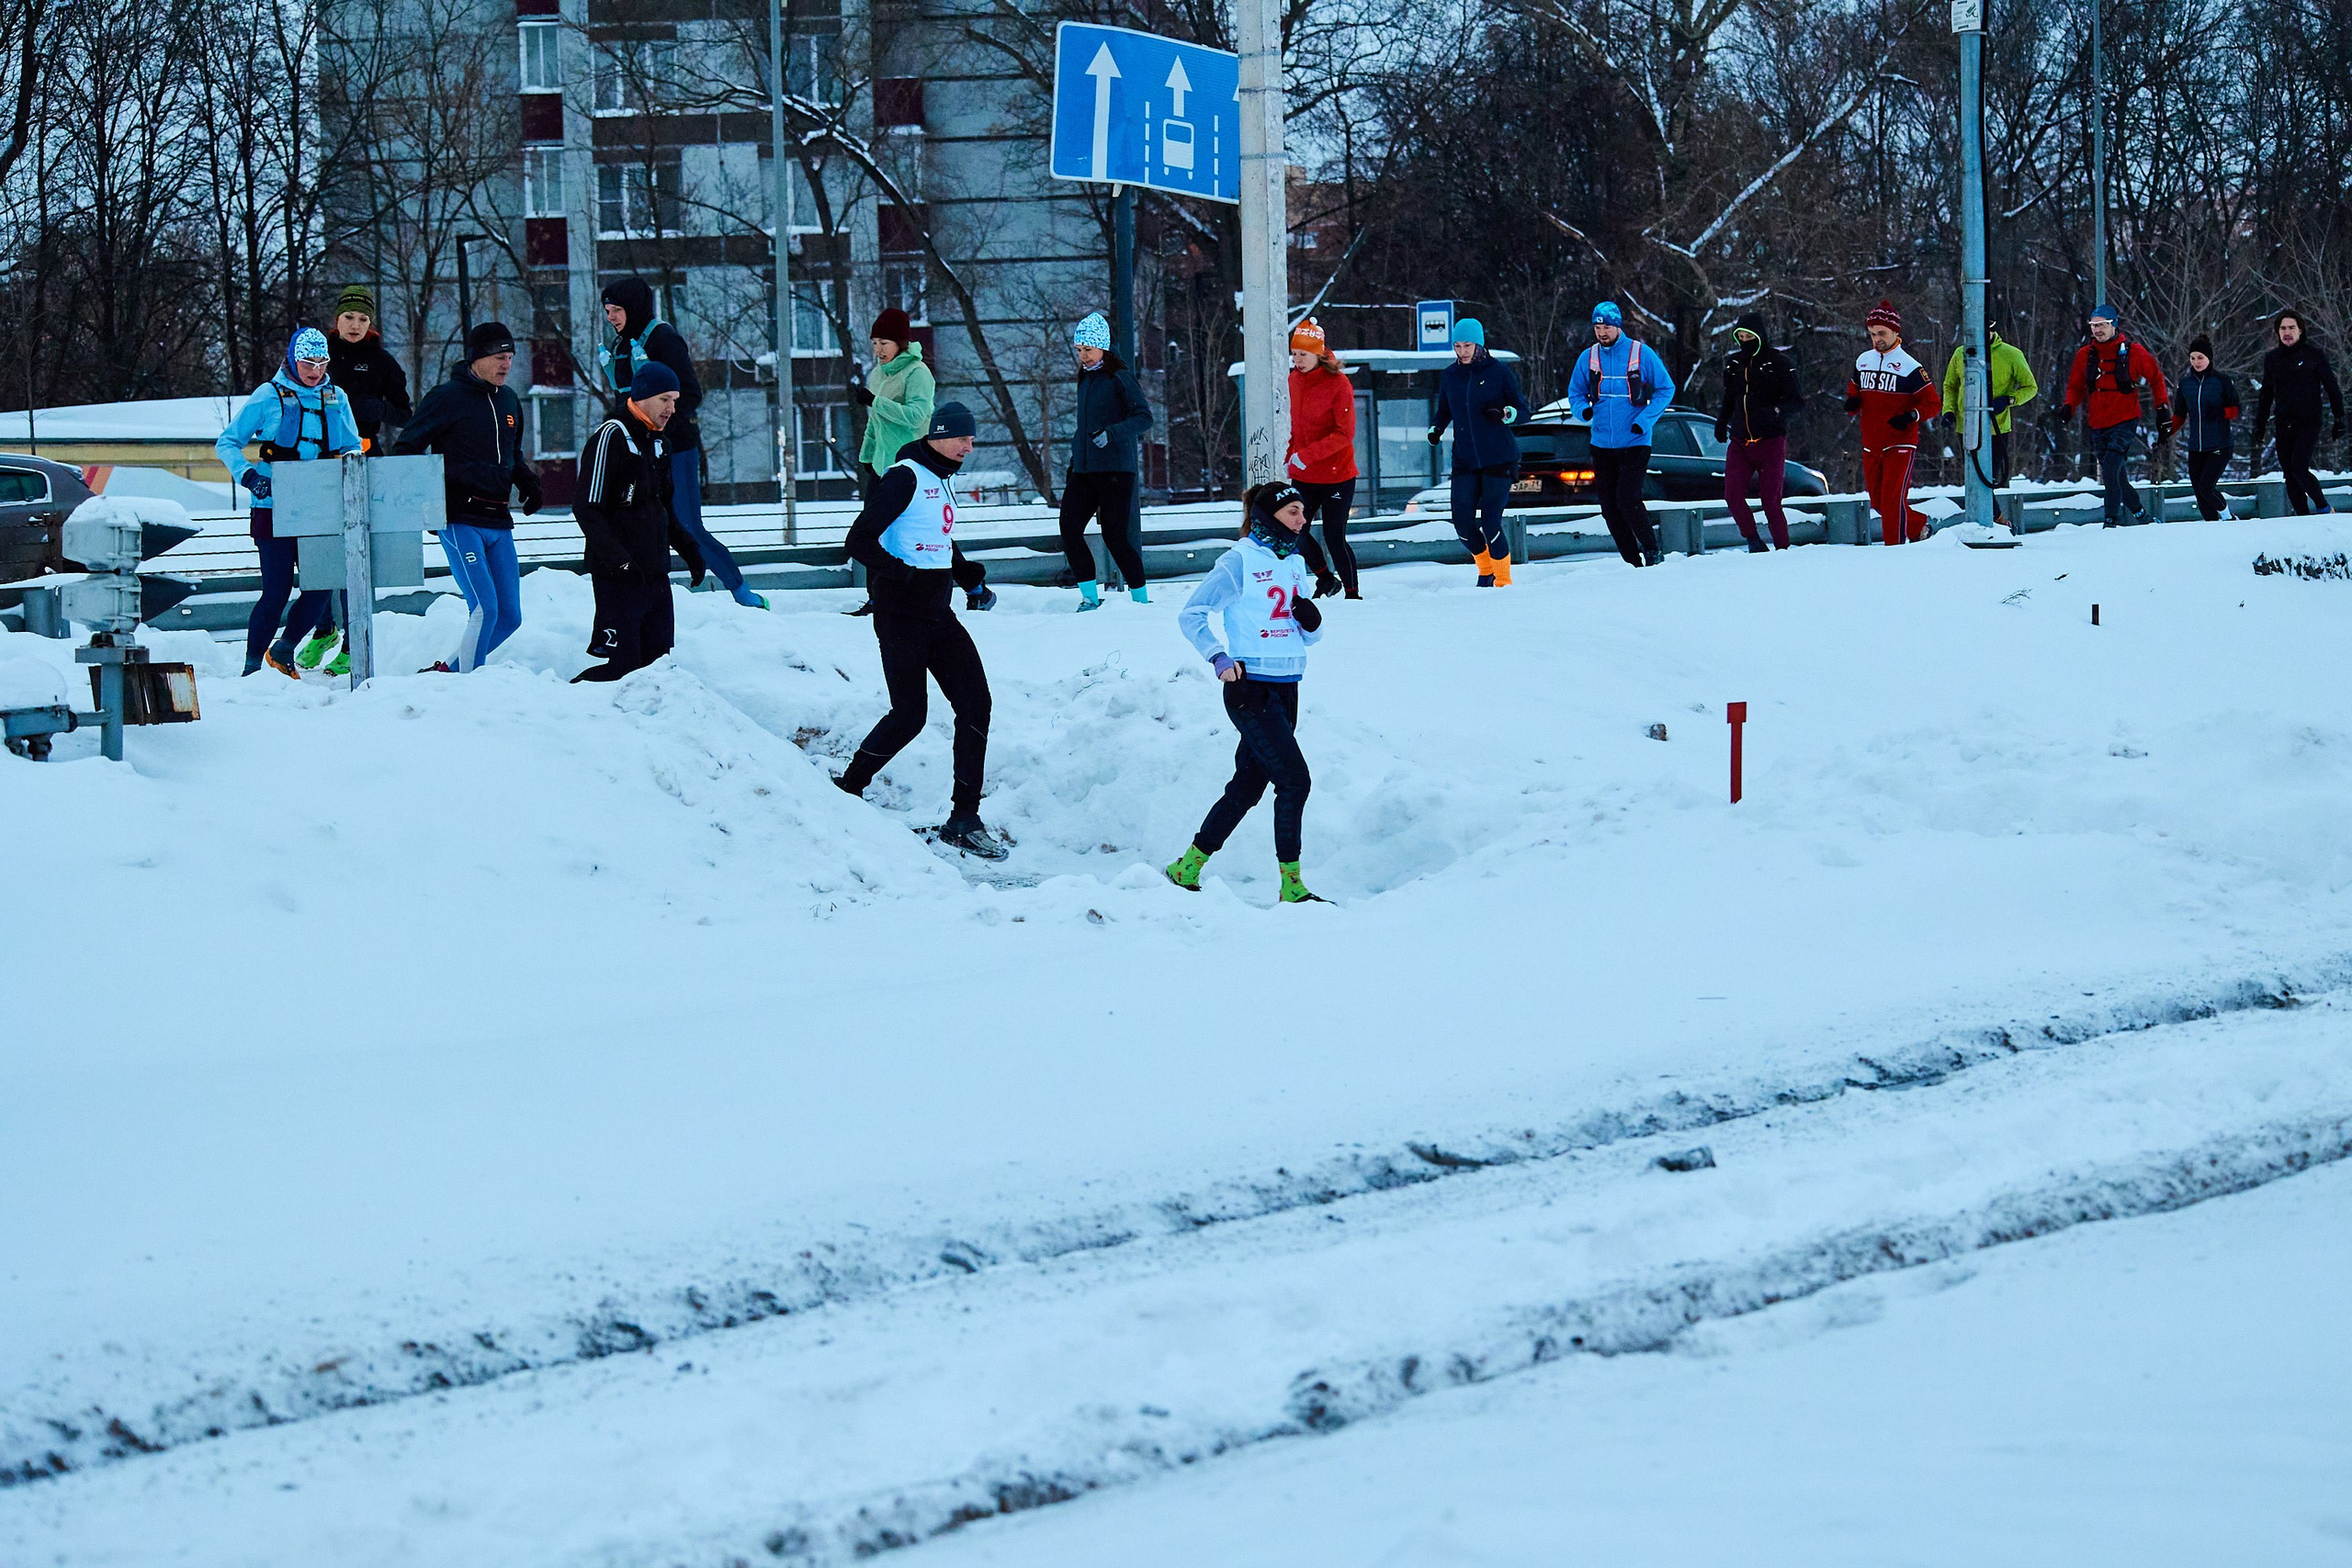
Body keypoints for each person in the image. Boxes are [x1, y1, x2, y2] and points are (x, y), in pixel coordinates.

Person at [834, 401, 1006, 860]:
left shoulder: (940, 478)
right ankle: (847, 789)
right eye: (963, 439)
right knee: (909, 715)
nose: (969, 447)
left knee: (976, 704)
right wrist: (901, 575)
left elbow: (936, 538)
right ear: (939, 435)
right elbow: (858, 540)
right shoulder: (904, 476)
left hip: (938, 613)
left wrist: (966, 576)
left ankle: (964, 820)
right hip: (901, 614)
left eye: (972, 439)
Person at [1165, 479, 1326, 905]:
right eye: (1294, 512)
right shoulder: (1238, 561)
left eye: (1304, 512)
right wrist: (1218, 657)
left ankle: (1187, 867)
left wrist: (1312, 623)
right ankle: (1292, 886)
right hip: (1250, 689)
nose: (1303, 520)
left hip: (1288, 686)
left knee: (1247, 787)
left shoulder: (1295, 562)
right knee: (1295, 781)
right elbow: (1192, 614)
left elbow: (1308, 636)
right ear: (1269, 517)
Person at [598, 276, 767, 609]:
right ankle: (637, 597)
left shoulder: (663, 339)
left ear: (634, 307)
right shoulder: (621, 345)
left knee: (687, 527)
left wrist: (658, 432)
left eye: (616, 309)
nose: (611, 317)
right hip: (635, 451)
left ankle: (741, 592)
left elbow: (690, 394)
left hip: (674, 449)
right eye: (607, 311)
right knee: (632, 523)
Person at [392, 321, 544, 672]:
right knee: (484, 610)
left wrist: (529, 482)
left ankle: (449, 673)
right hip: (460, 519)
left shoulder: (509, 399)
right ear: (477, 357)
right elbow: (406, 450)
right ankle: (470, 687)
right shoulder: (446, 398)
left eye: (510, 356)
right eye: (499, 357)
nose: (507, 364)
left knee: (509, 617)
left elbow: (512, 455)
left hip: (498, 520)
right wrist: (426, 506)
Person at [215, 327, 364, 677]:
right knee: (276, 591)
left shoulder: (337, 397)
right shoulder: (268, 395)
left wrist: (349, 477)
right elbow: (227, 442)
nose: (315, 370)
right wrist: (248, 477)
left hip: (320, 509)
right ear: (293, 360)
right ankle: (252, 668)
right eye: (308, 362)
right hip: (273, 507)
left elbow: (353, 447)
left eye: (322, 362)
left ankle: (283, 650)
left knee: (320, 587)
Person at [295, 285, 415, 676]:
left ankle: (353, 640)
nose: (355, 325)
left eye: (363, 319)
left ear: (371, 324)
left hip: (363, 458)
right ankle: (323, 629)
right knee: (315, 547)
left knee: (355, 550)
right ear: (337, 319)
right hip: (317, 459)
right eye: (349, 317)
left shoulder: (381, 362)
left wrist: (376, 408)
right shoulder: (319, 355)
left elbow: (405, 414)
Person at [571, 362, 706, 683]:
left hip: (655, 574)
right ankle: (568, 703)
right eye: (664, 400)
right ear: (642, 396)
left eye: (675, 400)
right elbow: (587, 509)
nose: (672, 409)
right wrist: (620, 563)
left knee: (657, 667)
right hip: (619, 578)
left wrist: (690, 550)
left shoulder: (660, 444)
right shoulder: (611, 437)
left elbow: (663, 509)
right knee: (622, 668)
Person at [1566, 302, 1676, 567]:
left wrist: (1644, 420)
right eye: (1597, 328)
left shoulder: (1640, 353)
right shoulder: (1588, 357)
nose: (1602, 333)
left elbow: (1666, 389)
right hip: (1602, 442)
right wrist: (1583, 411)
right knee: (1609, 507)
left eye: (1606, 327)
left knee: (1627, 498)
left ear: (1617, 326)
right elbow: (1575, 393)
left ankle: (1652, 550)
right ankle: (1631, 561)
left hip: (1635, 440)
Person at [1059, 311, 1153, 610]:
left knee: (1114, 537)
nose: (1083, 356)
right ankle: (1089, 597)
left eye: (1088, 349)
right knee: (1069, 529)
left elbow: (1144, 417)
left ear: (1103, 347)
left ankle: (1141, 601)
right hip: (1084, 471)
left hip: (1116, 471)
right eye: (1079, 350)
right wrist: (1075, 461)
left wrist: (1111, 434)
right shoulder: (1085, 380)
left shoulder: (1120, 378)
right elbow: (1084, 427)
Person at [1428, 318, 1531, 585]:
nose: (1462, 351)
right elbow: (1444, 410)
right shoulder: (1450, 376)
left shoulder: (1499, 372)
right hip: (1465, 460)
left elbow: (1523, 411)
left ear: (1479, 344)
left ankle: (1502, 580)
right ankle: (1486, 570)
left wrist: (1507, 414)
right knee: (1462, 524)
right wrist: (1436, 429)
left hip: (1499, 458)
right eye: (1457, 346)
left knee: (1490, 522)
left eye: (1468, 345)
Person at [2060, 301, 2167, 527]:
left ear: (2114, 325)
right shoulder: (2085, 355)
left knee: (2109, 469)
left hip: (2125, 420)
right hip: (2098, 423)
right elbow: (2076, 387)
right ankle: (2141, 515)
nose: (2097, 330)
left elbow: (2156, 378)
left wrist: (2162, 408)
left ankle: (2110, 522)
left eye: (2102, 325)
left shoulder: (2133, 352)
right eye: (2093, 325)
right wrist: (2069, 406)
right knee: (2117, 475)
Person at [1845, 300, 1943, 545]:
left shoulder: (1910, 366)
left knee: (1892, 500)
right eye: (1872, 334)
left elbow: (1933, 403)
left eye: (1882, 333)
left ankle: (1894, 550)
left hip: (1900, 442)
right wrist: (1853, 401)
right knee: (1879, 502)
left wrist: (1912, 415)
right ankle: (1917, 526)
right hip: (1871, 441)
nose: (1876, 339)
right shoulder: (1863, 360)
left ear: (1895, 332)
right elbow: (1854, 388)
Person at [1714, 313, 1804, 551]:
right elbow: (1729, 398)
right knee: (1732, 495)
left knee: (1770, 501)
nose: (1745, 341)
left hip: (1770, 441)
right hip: (1740, 441)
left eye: (1749, 336)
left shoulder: (1779, 363)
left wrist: (1776, 411)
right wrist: (1722, 422)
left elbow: (1797, 401)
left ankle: (1783, 548)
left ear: (1760, 336)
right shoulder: (1734, 364)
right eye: (1741, 337)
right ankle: (1753, 540)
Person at [1285, 317, 1361, 597]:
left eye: (1303, 354)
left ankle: (1352, 593)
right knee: (1294, 530)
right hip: (1305, 475)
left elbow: (1345, 433)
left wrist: (1307, 455)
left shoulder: (1339, 384)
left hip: (1337, 475)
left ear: (1318, 354)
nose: (1298, 360)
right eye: (1294, 354)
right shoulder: (1294, 380)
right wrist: (1291, 454)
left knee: (1334, 536)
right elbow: (1297, 427)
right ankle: (1326, 579)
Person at [2249, 310, 2345, 516]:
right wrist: (2260, 424)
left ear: (2300, 330)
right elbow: (2267, 393)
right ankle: (2302, 518)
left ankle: (2324, 507)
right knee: (2290, 475)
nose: (2287, 332)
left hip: (2308, 421)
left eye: (2292, 327)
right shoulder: (2272, 359)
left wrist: (2339, 418)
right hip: (2283, 422)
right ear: (2277, 332)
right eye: (2283, 328)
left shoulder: (2313, 355)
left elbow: (2332, 386)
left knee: (2298, 466)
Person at [1939, 323, 2038, 485]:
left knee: (1989, 478)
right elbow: (1950, 386)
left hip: (1996, 427)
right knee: (1972, 477)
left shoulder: (2011, 354)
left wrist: (2008, 400)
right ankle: (1983, 502)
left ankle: (1990, 502)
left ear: (1993, 331)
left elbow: (2031, 387)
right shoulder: (1960, 353)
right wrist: (1948, 411)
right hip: (1967, 426)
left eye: (1985, 332)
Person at [2171, 335, 2241, 522]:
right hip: (2196, 447)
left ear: (2209, 358)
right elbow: (2179, 414)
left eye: (2200, 357)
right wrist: (2166, 433)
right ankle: (2212, 527)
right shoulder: (2185, 384)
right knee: (2199, 492)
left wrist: (2219, 412)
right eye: (2193, 358)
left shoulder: (2222, 381)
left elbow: (2235, 410)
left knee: (2206, 487)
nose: (2196, 362)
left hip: (2220, 445)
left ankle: (2228, 517)